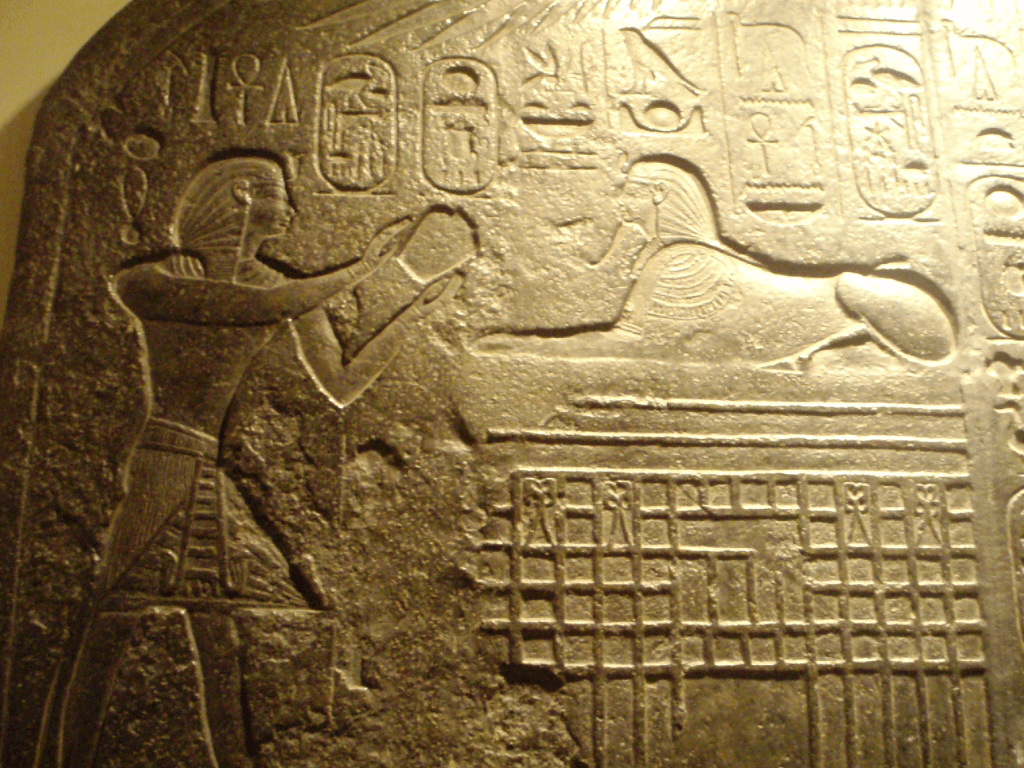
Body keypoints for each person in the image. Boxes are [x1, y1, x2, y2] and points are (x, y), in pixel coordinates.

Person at [45, 156, 471, 768]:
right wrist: (363, 267)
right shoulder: (157, 278)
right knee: (112, 621)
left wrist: (414, 312)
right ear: (242, 196)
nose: (290, 209)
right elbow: (248, 306)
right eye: (279, 194)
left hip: (208, 469)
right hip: (162, 464)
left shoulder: (279, 290)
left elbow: (342, 382)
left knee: (219, 633)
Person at [478, 158, 955, 369]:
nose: (620, 201)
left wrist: (525, 347)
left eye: (629, 191)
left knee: (849, 287)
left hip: (901, 321)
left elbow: (632, 347)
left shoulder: (683, 262)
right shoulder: (678, 258)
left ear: (658, 195)